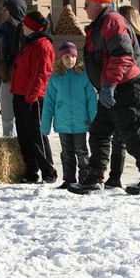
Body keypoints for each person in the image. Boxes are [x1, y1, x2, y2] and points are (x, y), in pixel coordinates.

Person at [70, 0, 140, 195]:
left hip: (125, 87)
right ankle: (95, 175)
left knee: (134, 135)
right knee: (99, 132)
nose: (84, 7)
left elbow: (122, 56)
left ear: (98, 3)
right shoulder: (99, 25)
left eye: (87, 4)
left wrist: (109, 84)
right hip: (111, 87)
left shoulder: (112, 21)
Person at [105, 5, 140, 189]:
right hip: (120, 92)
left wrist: (139, 82)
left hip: (138, 93)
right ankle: (115, 177)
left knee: (136, 135)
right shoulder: (120, 39)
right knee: (118, 136)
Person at [40, 42, 96, 189]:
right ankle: (69, 179)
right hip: (63, 123)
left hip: (81, 122)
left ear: (77, 58)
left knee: (81, 151)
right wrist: (45, 125)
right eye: (66, 57)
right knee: (66, 153)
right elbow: (49, 104)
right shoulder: (55, 79)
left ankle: (84, 179)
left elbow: (91, 100)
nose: (70, 60)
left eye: (72, 57)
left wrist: (94, 120)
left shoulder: (83, 77)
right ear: (60, 59)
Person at [10, 11, 57, 184]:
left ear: (31, 26)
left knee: (37, 135)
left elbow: (41, 75)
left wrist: (31, 97)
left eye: (25, 24)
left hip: (33, 98)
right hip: (20, 94)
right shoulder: (29, 42)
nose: (22, 26)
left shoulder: (43, 45)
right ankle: (31, 170)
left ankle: (48, 171)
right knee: (24, 135)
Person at [0, 0, 27, 137]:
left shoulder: (26, 29)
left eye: (5, 9)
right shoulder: (2, 30)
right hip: (7, 80)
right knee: (7, 118)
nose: (2, 12)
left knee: (25, 119)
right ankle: (10, 149)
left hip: (24, 81)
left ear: (13, 11)